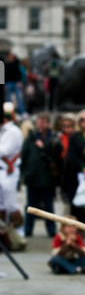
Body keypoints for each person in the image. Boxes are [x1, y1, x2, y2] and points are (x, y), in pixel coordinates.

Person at [21, 112, 61, 237]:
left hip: (48, 179)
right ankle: (28, 230)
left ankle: (51, 230)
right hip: (33, 178)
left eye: (43, 122)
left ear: (48, 123)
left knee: (48, 205)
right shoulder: (31, 137)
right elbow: (24, 155)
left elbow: (56, 157)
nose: (40, 124)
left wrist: (43, 147)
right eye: (38, 121)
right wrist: (25, 174)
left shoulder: (53, 138)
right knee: (31, 205)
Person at [62, 109, 85, 222]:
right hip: (78, 173)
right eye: (82, 119)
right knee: (77, 201)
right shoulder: (74, 137)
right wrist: (83, 167)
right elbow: (72, 156)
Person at [0, 102, 24, 238]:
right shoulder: (3, 130)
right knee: (1, 204)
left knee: (11, 204)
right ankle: (4, 233)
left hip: (9, 171)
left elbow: (6, 151)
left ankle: (18, 232)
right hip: (2, 170)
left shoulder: (13, 131)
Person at [4, 52, 25, 116]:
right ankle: (9, 112)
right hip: (8, 82)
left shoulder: (16, 64)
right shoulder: (6, 64)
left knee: (19, 97)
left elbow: (19, 73)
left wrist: (19, 81)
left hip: (15, 82)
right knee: (8, 98)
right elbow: (4, 74)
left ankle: (21, 111)